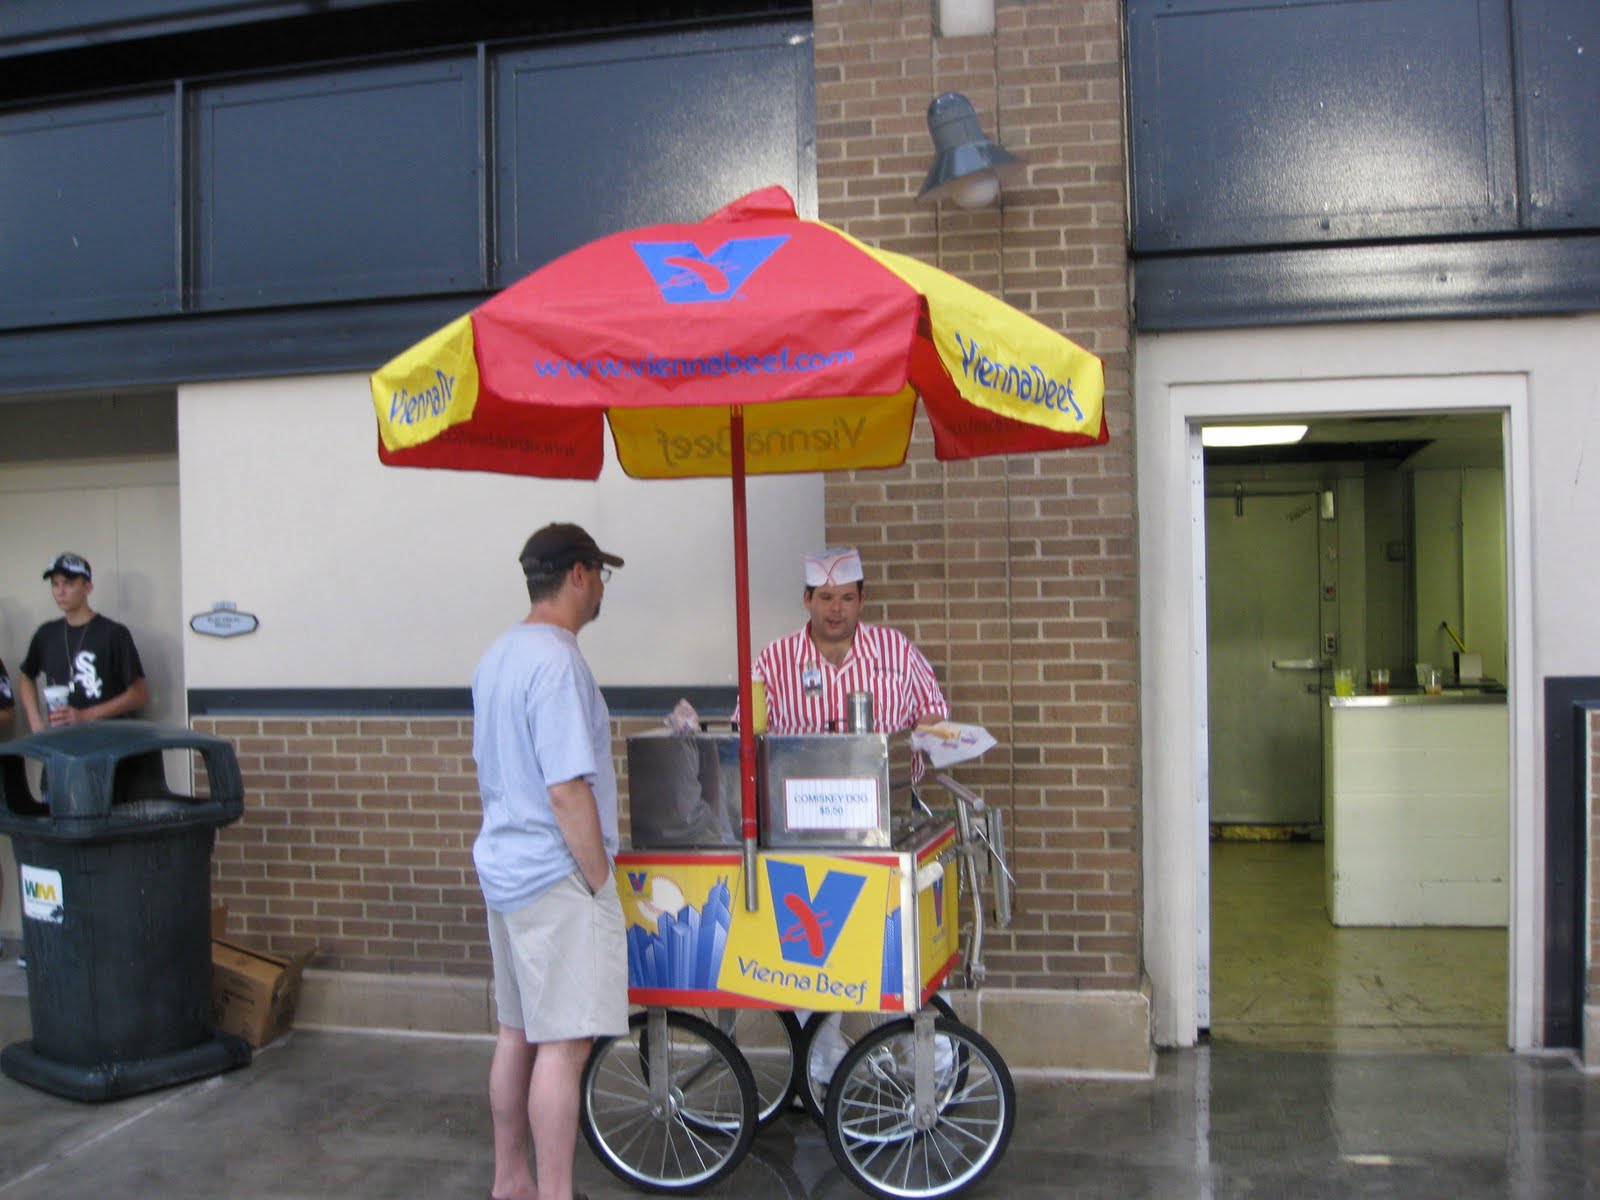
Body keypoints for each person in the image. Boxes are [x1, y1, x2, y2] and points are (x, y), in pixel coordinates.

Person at [472, 522, 628, 1200]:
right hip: (556, 875)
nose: (601, 592)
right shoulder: (558, 661)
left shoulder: (499, 654)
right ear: (579, 574)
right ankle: (556, 1193)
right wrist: (599, 881)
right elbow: (568, 789)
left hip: (505, 868)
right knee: (564, 1046)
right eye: (601, 577)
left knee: (516, 1036)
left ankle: (513, 1183)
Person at [750, 546, 949, 741]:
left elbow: (932, 708)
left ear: (861, 601)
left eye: (847, 598)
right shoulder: (774, 659)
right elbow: (746, 728)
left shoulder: (896, 648)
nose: (836, 608)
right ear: (807, 599)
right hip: (802, 772)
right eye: (826, 597)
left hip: (886, 773)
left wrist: (923, 733)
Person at [15, 553, 149, 732]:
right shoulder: (46, 634)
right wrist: (35, 721)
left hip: (108, 741)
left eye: (69, 584)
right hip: (63, 740)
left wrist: (86, 715)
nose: (60, 591)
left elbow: (139, 694)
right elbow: (26, 675)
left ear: (87, 587)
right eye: (55, 584)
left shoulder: (113, 633)